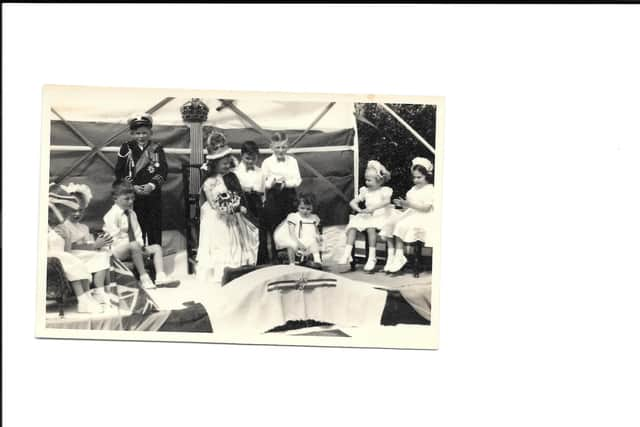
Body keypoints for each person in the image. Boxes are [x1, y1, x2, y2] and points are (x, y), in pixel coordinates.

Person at [196, 132, 259, 284]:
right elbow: (212, 202)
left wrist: (238, 207)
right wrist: (225, 209)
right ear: (214, 164)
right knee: (221, 241)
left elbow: (238, 194)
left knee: (237, 238)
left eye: (227, 163)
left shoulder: (231, 177)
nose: (226, 166)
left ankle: (236, 266)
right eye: (222, 163)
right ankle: (220, 271)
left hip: (233, 213)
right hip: (216, 216)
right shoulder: (210, 181)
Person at [103, 180, 177, 289]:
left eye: (133, 198)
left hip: (134, 247)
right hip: (117, 250)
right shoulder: (111, 215)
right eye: (126, 199)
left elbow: (137, 232)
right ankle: (144, 277)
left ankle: (160, 276)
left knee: (156, 247)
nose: (131, 201)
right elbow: (114, 237)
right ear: (115, 198)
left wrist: (140, 245)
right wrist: (132, 246)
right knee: (133, 245)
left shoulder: (132, 213)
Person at [47, 184, 105, 313]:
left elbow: (66, 249)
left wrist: (65, 237)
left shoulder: (62, 227)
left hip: (62, 254)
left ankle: (88, 298)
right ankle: (82, 299)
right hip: (50, 256)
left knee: (77, 264)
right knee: (71, 263)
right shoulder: (45, 226)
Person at [114, 113, 168, 246]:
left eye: (144, 133)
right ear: (132, 134)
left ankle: (155, 262)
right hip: (133, 197)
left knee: (155, 230)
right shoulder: (126, 148)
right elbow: (119, 172)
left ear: (151, 132)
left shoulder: (157, 148)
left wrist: (151, 185)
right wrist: (132, 187)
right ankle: (141, 262)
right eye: (137, 133)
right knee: (137, 231)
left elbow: (163, 171)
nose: (141, 136)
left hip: (153, 195)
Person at [57, 182, 114, 306]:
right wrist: (93, 246)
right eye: (73, 210)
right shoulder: (64, 226)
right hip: (71, 256)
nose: (77, 214)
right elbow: (69, 247)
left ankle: (104, 288)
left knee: (105, 253)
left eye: (80, 210)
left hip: (84, 254)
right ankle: (98, 290)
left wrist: (99, 244)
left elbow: (89, 244)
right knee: (100, 256)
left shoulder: (84, 227)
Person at [338, 160, 398, 272]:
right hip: (369, 216)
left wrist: (372, 209)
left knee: (370, 228)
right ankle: (347, 252)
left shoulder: (384, 190)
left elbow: (386, 201)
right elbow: (352, 202)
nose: (366, 182)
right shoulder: (365, 191)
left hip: (382, 215)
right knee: (353, 225)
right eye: (366, 179)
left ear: (379, 180)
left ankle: (372, 256)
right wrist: (359, 209)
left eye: (369, 180)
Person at [379, 157, 436, 274]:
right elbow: (408, 207)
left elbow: (426, 208)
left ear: (427, 176)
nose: (416, 180)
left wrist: (409, 204)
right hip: (412, 213)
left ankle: (400, 256)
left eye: (419, 177)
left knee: (401, 225)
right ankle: (396, 255)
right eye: (414, 177)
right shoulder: (413, 189)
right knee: (391, 222)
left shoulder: (430, 189)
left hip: (424, 216)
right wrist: (402, 204)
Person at [261, 132, 302, 262]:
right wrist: (271, 183)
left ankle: (292, 258)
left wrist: (287, 183)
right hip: (273, 197)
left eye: (283, 147)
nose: (281, 150)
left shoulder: (292, 161)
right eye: (277, 147)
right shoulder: (267, 162)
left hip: (289, 196)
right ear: (271, 147)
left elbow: (298, 180)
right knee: (275, 227)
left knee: (290, 226)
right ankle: (275, 258)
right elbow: (263, 183)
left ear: (287, 147)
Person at [234, 140, 269, 264]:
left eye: (253, 158)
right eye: (247, 158)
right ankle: (246, 260)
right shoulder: (236, 172)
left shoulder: (260, 172)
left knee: (260, 232)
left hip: (257, 204)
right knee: (245, 232)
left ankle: (260, 260)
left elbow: (263, 189)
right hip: (244, 203)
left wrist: (262, 202)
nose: (250, 161)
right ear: (241, 156)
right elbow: (234, 189)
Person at [273, 192, 323, 265]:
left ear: (312, 208)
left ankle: (317, 261)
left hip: (308, 238)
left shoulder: (313, 218)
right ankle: (292, 262)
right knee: (291, 245)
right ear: (297, 207)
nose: (305, 211)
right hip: (295, 238)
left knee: (314, 244)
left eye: (308, 209)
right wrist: (299, 243)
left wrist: (318, 236)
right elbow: (291, 232)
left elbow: (316, 230)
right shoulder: (294, 217)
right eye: (302, 208)